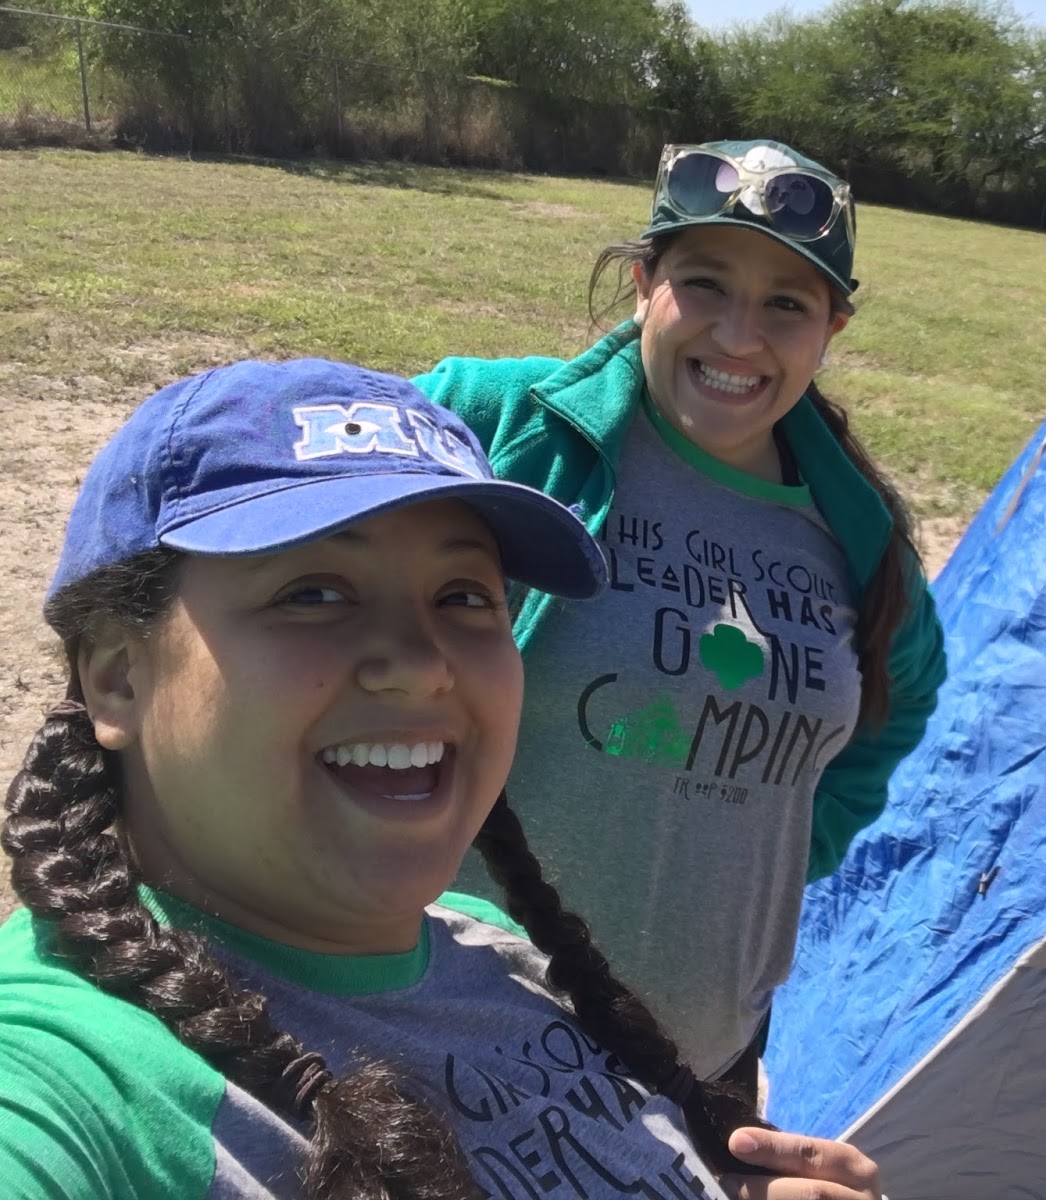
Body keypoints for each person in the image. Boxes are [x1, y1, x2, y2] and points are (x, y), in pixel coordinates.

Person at [0, 359, 883, 1200]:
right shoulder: (72, 1079)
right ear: (116, 676)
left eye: (464, 595)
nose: (423, 666)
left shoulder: (488, 947)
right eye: (313, 592)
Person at [413, 140, 947, 1090]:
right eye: (704, 284)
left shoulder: (858, 531)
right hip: (453, 1039)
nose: (739, 336)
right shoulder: (492, 423)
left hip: (707, 1070)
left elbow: (901, 698)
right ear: (642, 283)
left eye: (787, 302)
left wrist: (787, 846)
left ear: (832, 327)